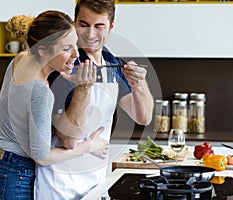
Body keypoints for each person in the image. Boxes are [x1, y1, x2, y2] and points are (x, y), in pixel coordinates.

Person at [0, 10, 109, 200]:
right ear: (43, 50)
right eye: (66, 48)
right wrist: (89, 146)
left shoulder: (20, 59)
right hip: (12, 175)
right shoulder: (41, 92)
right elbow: (42, 156)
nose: (75, 54)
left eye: (74, 45)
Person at [35, 0, 154, 199]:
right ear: (74, 23)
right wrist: (83, 89)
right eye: (84, 25)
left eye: (99, 26)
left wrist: (139, 84)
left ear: (111, 27)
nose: (90, 35)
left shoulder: (112, 63)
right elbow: (69, 138)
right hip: (59, 185)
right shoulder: (64, 65)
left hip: (95, 182)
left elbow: (143, 117)